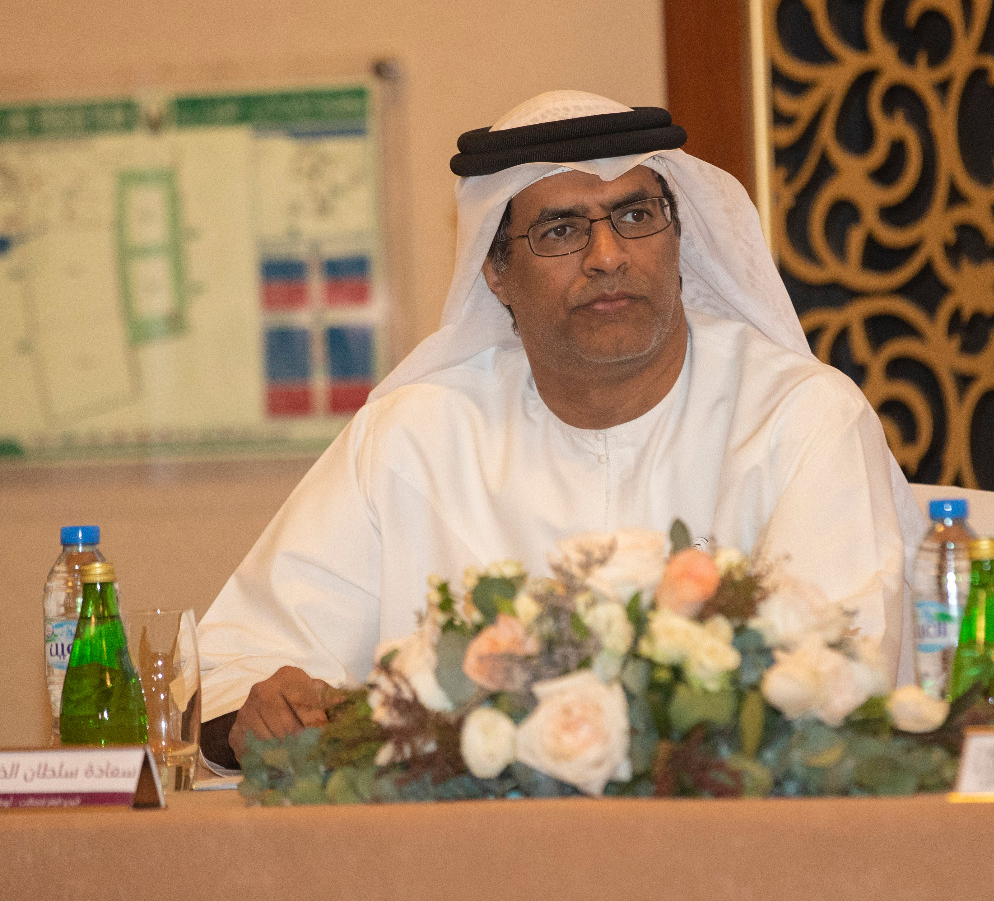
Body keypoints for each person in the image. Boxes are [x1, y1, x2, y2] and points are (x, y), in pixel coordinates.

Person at [197, 91, 921, 769]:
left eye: (635, 216)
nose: (607, 256)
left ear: (678, 241)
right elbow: (236, 665)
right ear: (497, 273)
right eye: (562, 230)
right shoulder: (413, 438)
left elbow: (840, 681)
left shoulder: (800, 419)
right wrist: (262, 712)